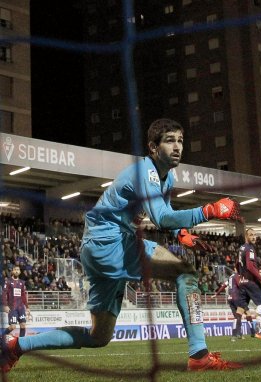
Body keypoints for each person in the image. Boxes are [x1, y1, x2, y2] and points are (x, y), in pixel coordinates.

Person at [0, 118, 243, 372]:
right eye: (170, 141)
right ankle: (199, 355)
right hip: (110, 241)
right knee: (186, 274)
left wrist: (182, 233)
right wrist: (209, 210)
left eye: (180, 140)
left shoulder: (167, 178)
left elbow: (165, 212)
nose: (178, 147)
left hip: (98, 248)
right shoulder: (144, 172)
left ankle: (16, 345)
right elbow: (160, 218)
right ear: (152, 147)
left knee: (98, 337)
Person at [2, 266, 30, 338]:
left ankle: (21, 343)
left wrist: (27, 307)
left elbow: (23, 295)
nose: (16, 271)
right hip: (12, 307)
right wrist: (5, 305)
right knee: (12, 326)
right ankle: (2, 338)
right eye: (15, 270)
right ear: (12, 271)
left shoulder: (22, 282)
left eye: (18, 270)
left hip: (21, 307)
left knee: (23, 325)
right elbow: (4, 294)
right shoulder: (8, 281)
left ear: (20, 272)